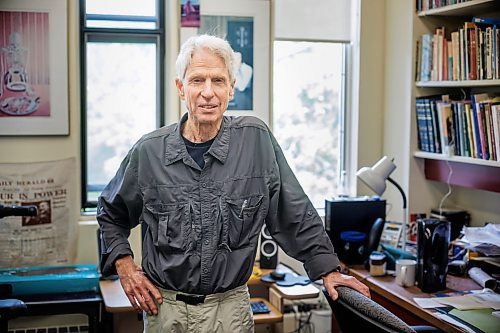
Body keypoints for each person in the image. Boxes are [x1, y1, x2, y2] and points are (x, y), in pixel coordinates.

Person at [97, 34, 370, 333]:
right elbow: (111, 213)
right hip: (166, 312)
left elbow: (293, 212)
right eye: (197, 80)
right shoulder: (149, 152)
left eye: (218, 80)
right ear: (180, 88)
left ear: (231, 88)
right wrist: (124, 266)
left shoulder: (255, 141)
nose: (208, 93)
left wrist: (328, 270)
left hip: (231, 312)